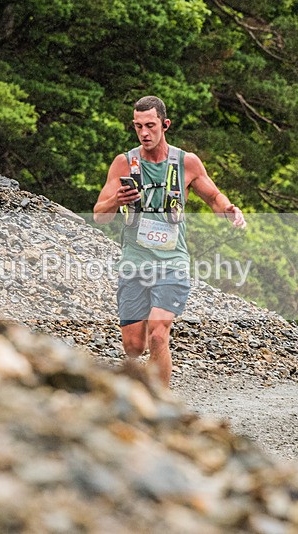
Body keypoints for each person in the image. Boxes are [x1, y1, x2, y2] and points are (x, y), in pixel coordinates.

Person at [93, 95, 246, 387]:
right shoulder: (124, 163)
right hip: (134, 263)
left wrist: (229, 209)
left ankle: (160, 403)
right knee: (134, 346)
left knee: (158, 334)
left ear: (165, 125)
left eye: (150, 125)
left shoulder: (186, 162)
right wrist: (116, 200)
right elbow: (100, 215)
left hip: (172, 263)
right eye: (138, 126)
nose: (144, 133)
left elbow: (214, 196)